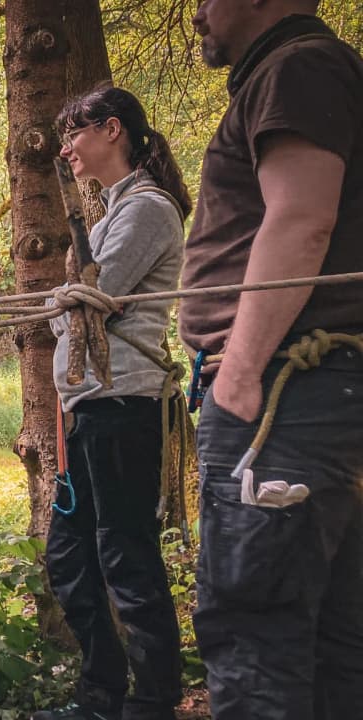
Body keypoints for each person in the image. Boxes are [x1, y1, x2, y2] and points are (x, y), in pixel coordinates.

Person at [180, 2, 363, 718]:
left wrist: (240, 372)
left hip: (283, 396)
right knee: (326, 645)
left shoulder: (298, 67)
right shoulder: (300, 70)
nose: (196, 11)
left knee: (255, 634)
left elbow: (301, 219)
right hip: (312, 399)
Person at [31, 86, 191, 720]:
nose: (66, 147)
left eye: (75, 132)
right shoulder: (111, 213)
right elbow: (75, 304)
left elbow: (96, 295)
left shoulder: (147, 209)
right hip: (93, 407)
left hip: (125, 406)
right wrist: (64, 303)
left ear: (113, 130)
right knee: (70, 555)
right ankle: (101, 694)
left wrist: (61, 302)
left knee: (126, 555)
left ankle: (151, 702)